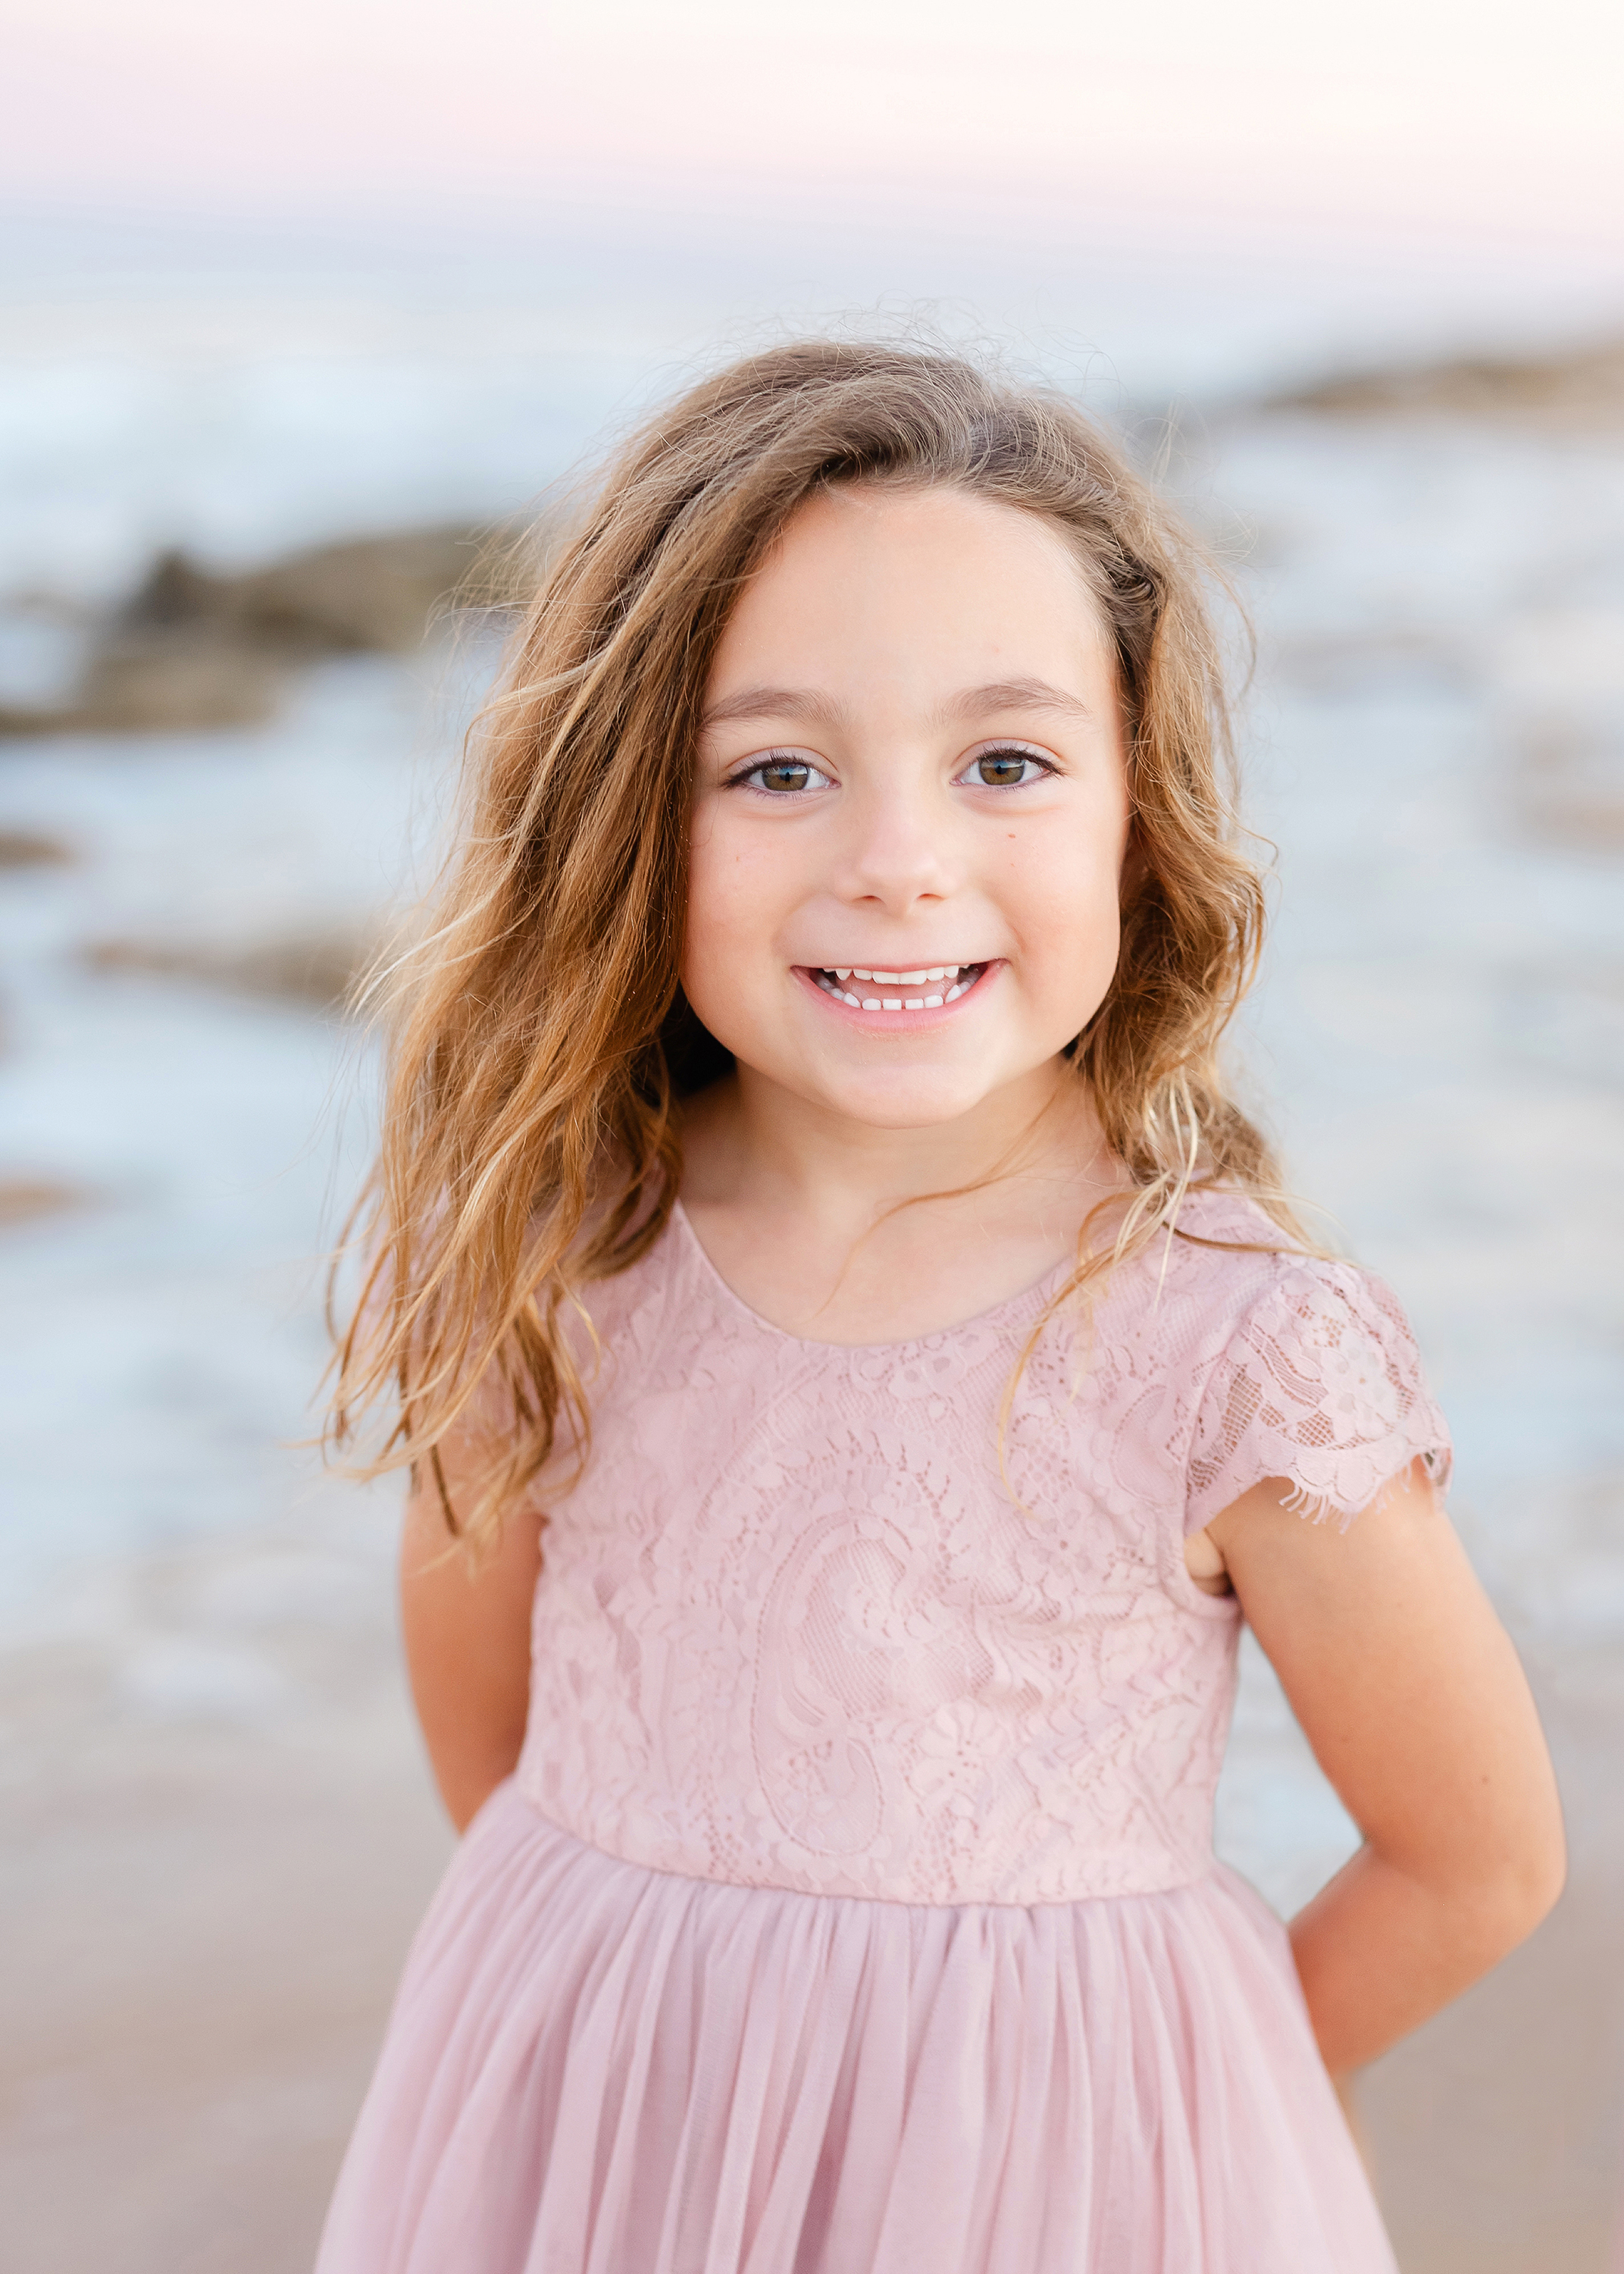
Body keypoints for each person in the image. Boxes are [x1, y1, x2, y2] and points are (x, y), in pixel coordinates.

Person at [317, 340, 1565, 2273]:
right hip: (598, 2145)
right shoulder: (552, 1245)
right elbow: (498, 1762)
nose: (898, 865)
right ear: (628, 808)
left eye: (1004, 762)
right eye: (779, 768)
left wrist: (1184, 2111)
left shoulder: (1228, 1348)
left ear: (1135, 814)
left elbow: (1475, 1854)